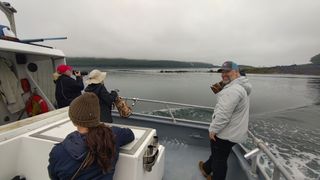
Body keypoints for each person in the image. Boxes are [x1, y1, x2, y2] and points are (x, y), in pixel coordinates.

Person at [48, 92, 135, 180]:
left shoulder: (58, 152)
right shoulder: (113, 135)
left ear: (74, 121)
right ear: (97, 116)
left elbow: (54, 176)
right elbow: (130, 134)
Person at [199, 61, 252, 180]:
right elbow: (214, 89)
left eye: (227, 71)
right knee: (219, 154)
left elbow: (223, 114)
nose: (223, 74)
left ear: (237, 72)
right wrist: (227, 79)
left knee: (219, 161)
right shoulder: (240, 85)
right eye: (222, 72)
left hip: (224, 133)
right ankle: (206, 168)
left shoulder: (232, 90)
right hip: (234, 131)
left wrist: (213, 129)